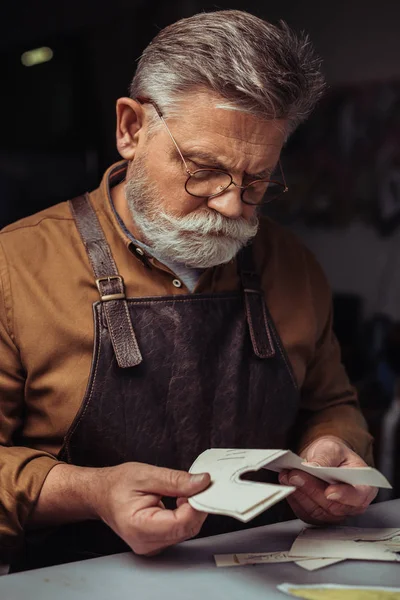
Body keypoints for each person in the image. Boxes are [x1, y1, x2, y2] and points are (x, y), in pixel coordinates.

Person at [0, 10, 376, 571]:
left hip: (262, 572)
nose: (231, 206)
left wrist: (332, 449)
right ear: (131, 128)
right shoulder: (15, 267)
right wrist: (92, 492)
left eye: (257, 181)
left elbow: (331, 404)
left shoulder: (291, 264)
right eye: (204, 169)